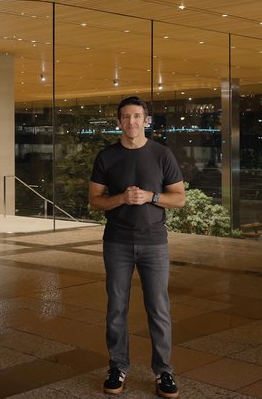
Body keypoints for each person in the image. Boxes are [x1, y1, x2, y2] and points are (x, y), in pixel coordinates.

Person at [89, 96, 186, 398]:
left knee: (158, 309)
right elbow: (94, 201)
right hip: (116, 242)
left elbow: (179, 198)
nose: (131, 122)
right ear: (118, 122)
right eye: (125, 117)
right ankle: (118, 366)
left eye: (137, 116)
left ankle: (164, 372)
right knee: (116, 308)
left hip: (154, 243)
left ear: (146, 120)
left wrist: (151, 196)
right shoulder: (106, 157)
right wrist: (121, 198)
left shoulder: (162, 154)